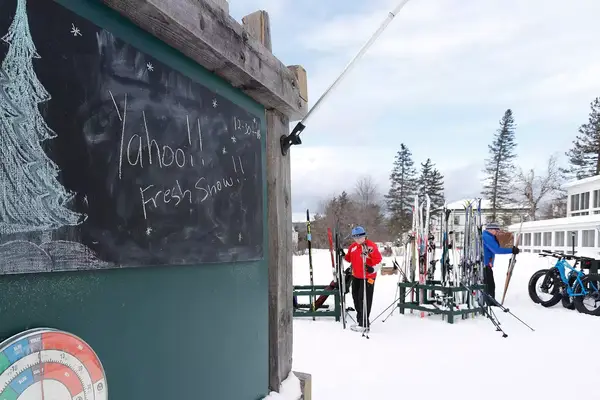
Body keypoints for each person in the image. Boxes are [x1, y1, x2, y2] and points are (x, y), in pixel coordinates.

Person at [340, 226, 382, 332]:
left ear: (364, 236)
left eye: (360, 237)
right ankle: (360, 321)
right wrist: (343, 255)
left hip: (368, 278)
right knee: (356, 298)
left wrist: (373, 269)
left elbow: (379, 262)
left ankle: (364, 323)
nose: (358, 239)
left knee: (364, 299)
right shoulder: (353, 247)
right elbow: (349, 259)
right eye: (355, 237)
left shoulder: (370, 247)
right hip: (356, 276)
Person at [482, 222, 519, 305]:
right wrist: (511, 250)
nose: (497, 233)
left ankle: (489, 301)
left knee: (489, 284)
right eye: (496, 231)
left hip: (486, 264)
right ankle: (490, 303)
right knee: (489, 284)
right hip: (484, 264)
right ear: (491, 230)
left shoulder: (489, 236)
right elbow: (496, 249)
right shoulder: (487, 237)